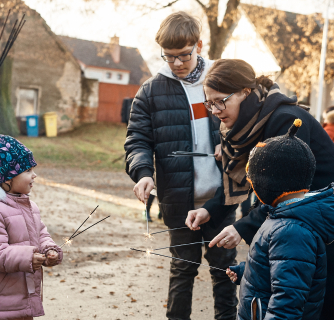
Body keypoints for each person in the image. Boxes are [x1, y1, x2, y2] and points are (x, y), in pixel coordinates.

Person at [185, 59, 334, 320]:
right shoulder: (249, 124)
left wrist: (242, 227)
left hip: (319, 223)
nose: (215, 110)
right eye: (209, 103)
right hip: (298, 218)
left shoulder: (284, 120)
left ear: (245, 92)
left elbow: (282, 189)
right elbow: (248, 180)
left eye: (221, 101)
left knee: (311, 300)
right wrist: (209, 210)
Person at [125, 12, 238, 320]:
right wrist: (143, 173)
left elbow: (248, 125)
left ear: (199, 44)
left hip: (221, 198)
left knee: (224, 272)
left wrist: (228, 144)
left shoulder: (223, 78)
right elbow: (137, 140)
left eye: (184, 55)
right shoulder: (151, 90)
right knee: (182, 272)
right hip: (178, 201)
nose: (176, 63)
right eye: (169, 57)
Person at [226, 119, 334, 319]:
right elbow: (281, 271)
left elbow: (287, 303)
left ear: (270, 183)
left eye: (253, 180)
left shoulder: (291, 231)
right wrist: (248, 272)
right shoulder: (283, 217)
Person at [0, 134, 63, 320]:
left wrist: (49, 249)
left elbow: (40, 233)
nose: (34, 175)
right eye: (27, 171)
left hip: (21, 299)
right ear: (7, 178)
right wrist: (28, 257)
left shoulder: (29, 206)